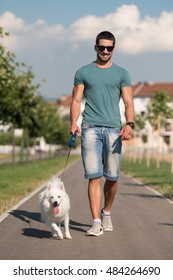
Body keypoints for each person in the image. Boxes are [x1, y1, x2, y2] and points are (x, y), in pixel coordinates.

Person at [70, 31, 135, 237]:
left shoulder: (122, 73)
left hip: (114, 130)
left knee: (113, 177)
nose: (105, 51)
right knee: (94, 176)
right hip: (90, 128)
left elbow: (128, 102)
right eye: (101, 47)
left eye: (109, 48)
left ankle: (106, 212)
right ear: (95, 47)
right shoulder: (83, 72)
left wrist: (130, 124)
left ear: (114, 49)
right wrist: (74, 123)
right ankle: (96, 222)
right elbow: (76, 100)